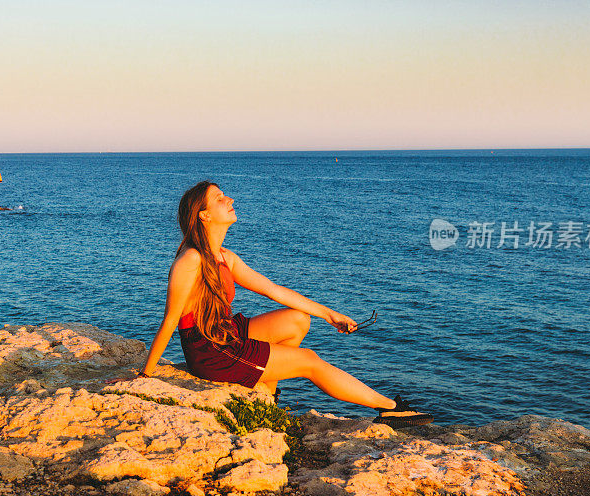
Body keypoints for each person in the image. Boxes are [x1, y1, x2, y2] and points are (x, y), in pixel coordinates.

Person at [118, 180, 433, 427]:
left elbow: (273, 290)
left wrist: (329, 314)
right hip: (212, 351)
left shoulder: (225, 257)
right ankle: (390, 409)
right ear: (204, 215)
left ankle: (265, 391)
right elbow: (171, 319)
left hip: (228, 333)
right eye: (219, 199)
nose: (229, 200)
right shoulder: (191, 259)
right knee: (309, 360)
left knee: (297, 319)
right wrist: (145, 375)